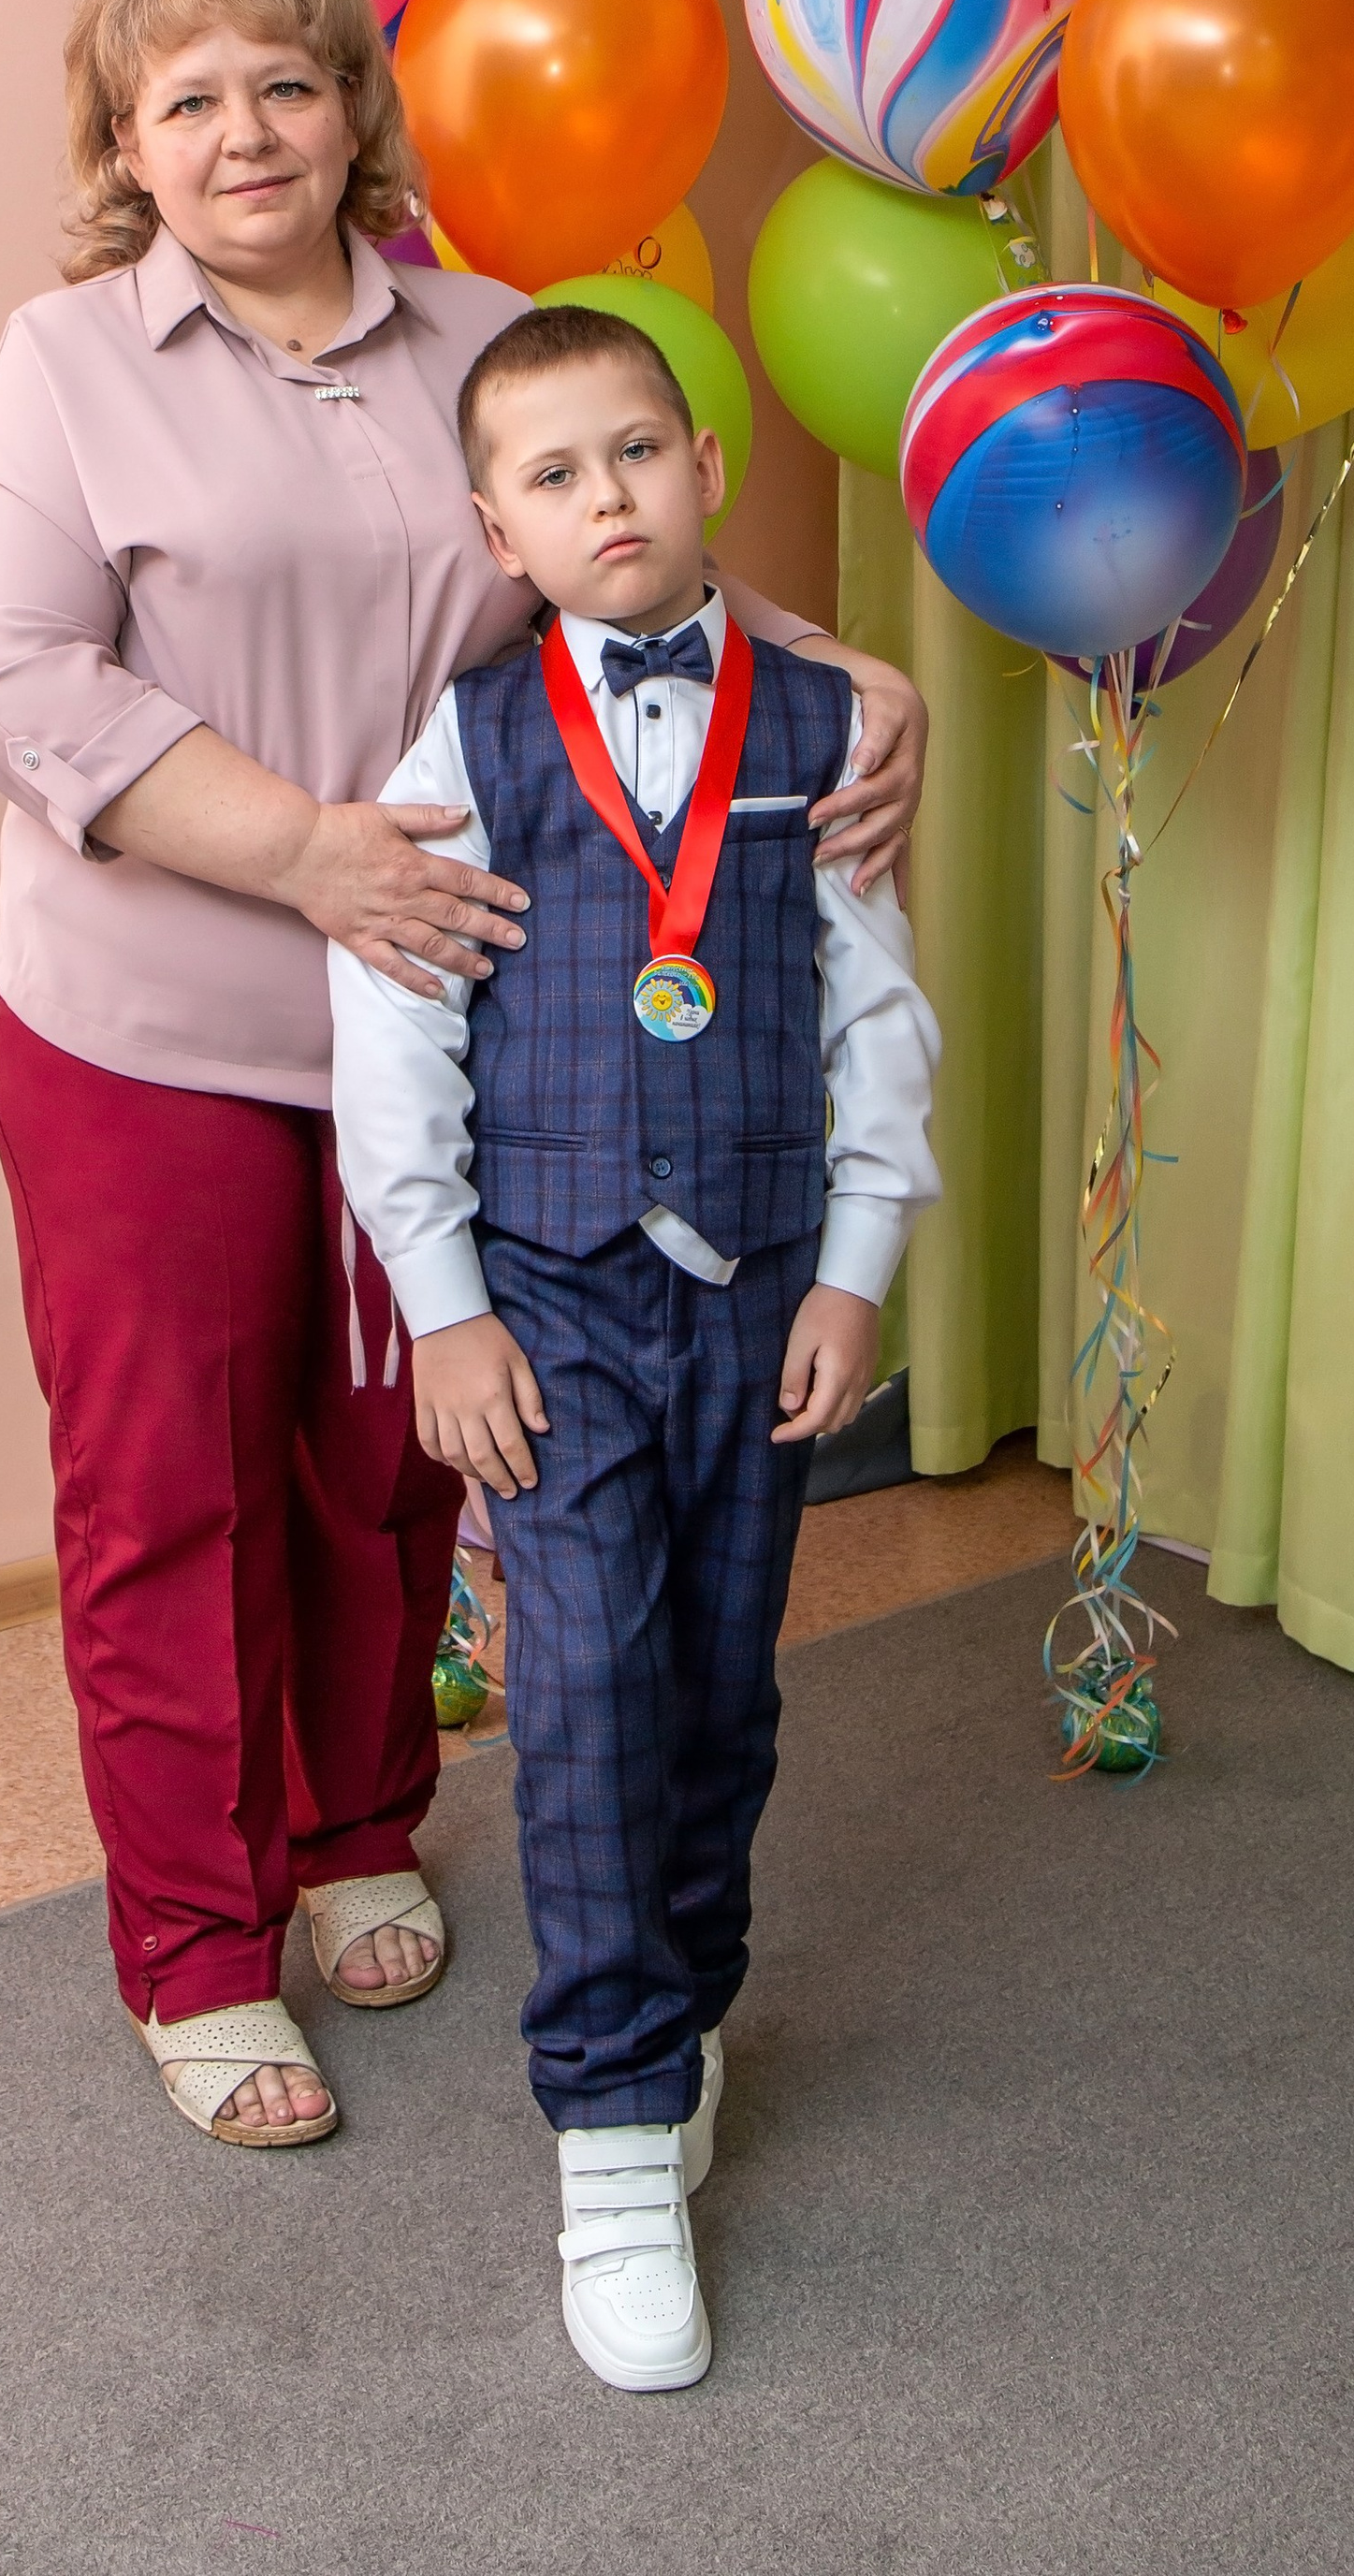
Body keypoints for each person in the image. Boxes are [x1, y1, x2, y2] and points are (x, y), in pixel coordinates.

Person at [0, 0, 931, 2151]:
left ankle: (354, 1822)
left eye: (285, 83)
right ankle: (200, 1944)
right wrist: (305, 854)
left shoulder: (475, 335)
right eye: (188, 98)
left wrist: (864, 685)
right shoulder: (67, 359)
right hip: (156, 1028)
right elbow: (5, 674)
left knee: (402, 1457)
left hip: (456, 1026)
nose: (244, 132)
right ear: (125, 145)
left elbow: (639, 573)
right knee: (173, 1493)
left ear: (351, 111)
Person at [328, 304, 939, 2382]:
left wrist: (855, 1265)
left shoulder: (823, 726)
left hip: (759, 1287)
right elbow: (393, 1030)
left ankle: (683, 2006)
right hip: (555, 1297)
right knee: (583, 1682)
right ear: (494, 528)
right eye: (553, 475)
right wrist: (444, 1307)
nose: (606, 497)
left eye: (637, 454)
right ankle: (606, 2127)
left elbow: (874, 1005)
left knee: (716, 1689)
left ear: (706, 468)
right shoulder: (468, 741)